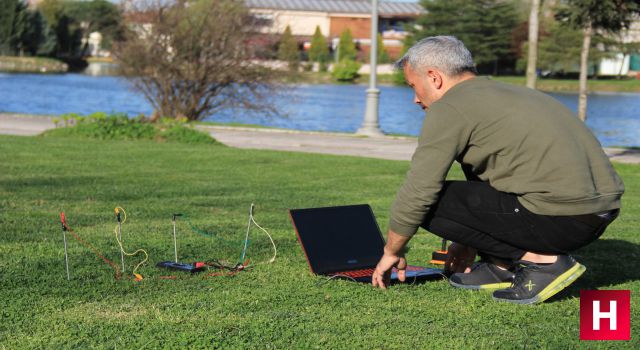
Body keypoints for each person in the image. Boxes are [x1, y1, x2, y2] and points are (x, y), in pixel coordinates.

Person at [370, 36, 624, 304]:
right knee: (448, 196)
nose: (415, 99)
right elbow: (486, 184)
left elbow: (419, 189)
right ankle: (500, 266)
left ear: (434, 77)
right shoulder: (510, 92)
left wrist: (392, 251)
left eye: (414, 86)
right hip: (598, 214)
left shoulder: (449, 106)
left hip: (560, 216)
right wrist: (467, 239)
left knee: (427, 201)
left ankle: (544, 263)